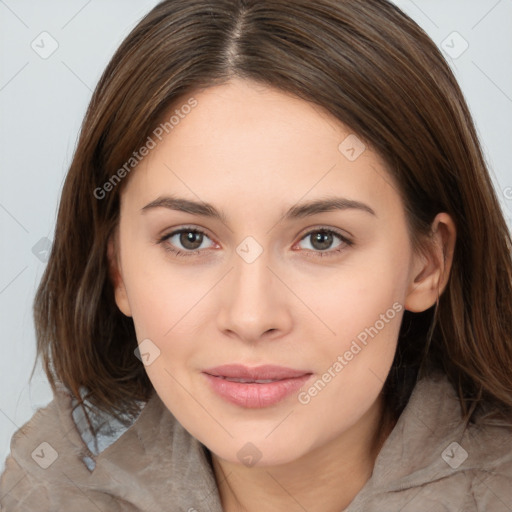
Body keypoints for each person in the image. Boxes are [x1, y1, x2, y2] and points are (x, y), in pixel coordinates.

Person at [1, 0, 512, 510]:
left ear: (427, 264)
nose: (250, 317)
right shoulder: (40, 489)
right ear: (118, 268)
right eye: (190, 238)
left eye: (322, 239)